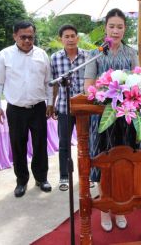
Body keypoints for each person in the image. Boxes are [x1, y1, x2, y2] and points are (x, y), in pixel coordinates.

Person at [84, 8, 140, 232]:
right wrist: (101, 93)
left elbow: (138, 81)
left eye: (120, 26)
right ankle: (105, 210)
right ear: (105, 28)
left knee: (124, 161)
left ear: (125, 29)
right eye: (111, 26)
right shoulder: (96, 53)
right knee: (103, 161)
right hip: (102, 117)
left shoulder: (131, 53)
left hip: (126, 116)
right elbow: (88, 84)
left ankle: (120, 209)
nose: (115, 30)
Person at [0, 20, 53, 198]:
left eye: (30, 37)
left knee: (40, 144)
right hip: (15, 109)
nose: (27, 40)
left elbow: (49, 82)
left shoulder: (42, 55)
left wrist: (50, 102)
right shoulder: (5, 55)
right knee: (18, 145)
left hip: (38, 108)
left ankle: (41, 178)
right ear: (15, 36)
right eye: (23, 37)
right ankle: (21, 181)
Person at [50, 24, 87, 192]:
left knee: (85, 143)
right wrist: (52, 104)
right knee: (64, 143)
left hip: (84, 108)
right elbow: (54, 85)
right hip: (64, 108)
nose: (70, 39)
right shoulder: (55, 58)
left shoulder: (88, 56)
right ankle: (64, 176)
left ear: (77, 38)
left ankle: (87, 175)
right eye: (67, 36)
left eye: (73, 36)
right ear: (61, 39)